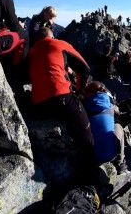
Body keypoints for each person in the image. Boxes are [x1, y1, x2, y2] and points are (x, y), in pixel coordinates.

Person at [27, 27, 96, 181]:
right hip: (61, 97)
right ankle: (90, 178)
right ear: (51, 36)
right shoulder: (59, 44)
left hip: (39, 104)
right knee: (86, 136)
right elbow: (84, 68)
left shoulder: (31, 52)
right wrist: (79, 91)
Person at [81, 81, 126, 173]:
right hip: (110, 155)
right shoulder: (110, 104)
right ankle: (120, 162)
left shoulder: (84, 105)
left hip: (93, 156)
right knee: (118, 127)